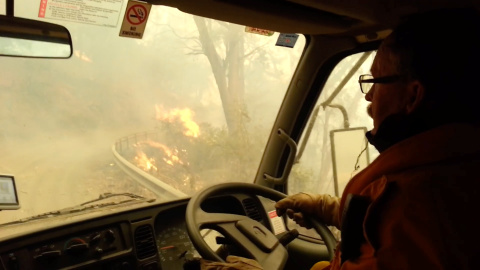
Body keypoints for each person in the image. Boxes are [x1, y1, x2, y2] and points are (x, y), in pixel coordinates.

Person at [275, 7, 480, 270]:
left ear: (413, 96)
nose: (369, 96)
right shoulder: (456, 169)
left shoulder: (413, 202)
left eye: (376, 81)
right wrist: (329, 209)